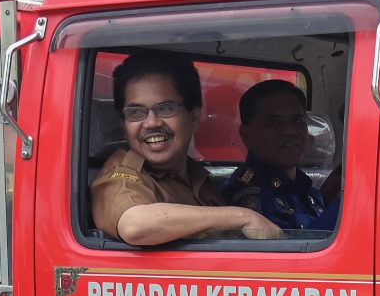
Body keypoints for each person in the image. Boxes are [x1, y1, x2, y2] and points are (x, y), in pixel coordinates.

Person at [90, 52, 281, 245]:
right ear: (124, 125)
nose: (151, 123)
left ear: (194, 117)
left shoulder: (194, 176)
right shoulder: (122, 176)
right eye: (136, 112)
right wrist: (243, 217)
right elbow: (134, 225)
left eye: (165, 108)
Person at [221, 80, 338, 231]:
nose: (289, 131)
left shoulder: (307, 190)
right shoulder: (250, 199)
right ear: (246, 135)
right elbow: (302, 252)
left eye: (297, 120)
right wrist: (343, 203)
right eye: (274, 122)